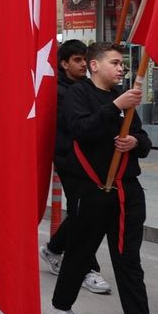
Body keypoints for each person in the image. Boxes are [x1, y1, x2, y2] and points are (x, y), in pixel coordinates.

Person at [48, 43, 158, 314]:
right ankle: (60, 307)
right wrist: (116, 105)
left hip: (127, 189)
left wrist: (133, 142)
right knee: (79, 253)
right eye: (115, 63)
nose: (121, 69)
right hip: (91, 190)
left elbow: (145, 141)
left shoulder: (127, 98)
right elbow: (80, 129)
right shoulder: (79, 94)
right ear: (94, 65)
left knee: (128, 259)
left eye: (123, 65)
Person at [39, 39, 111, 294]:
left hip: (91, 162)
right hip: (70, 161)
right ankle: (87, 268)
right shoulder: (61, 91)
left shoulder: (87, 87)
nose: (83, 64)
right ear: (64, 63)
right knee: (84, 214)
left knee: (84, 212)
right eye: (77, 60)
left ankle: (54, 249)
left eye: (85, 59)